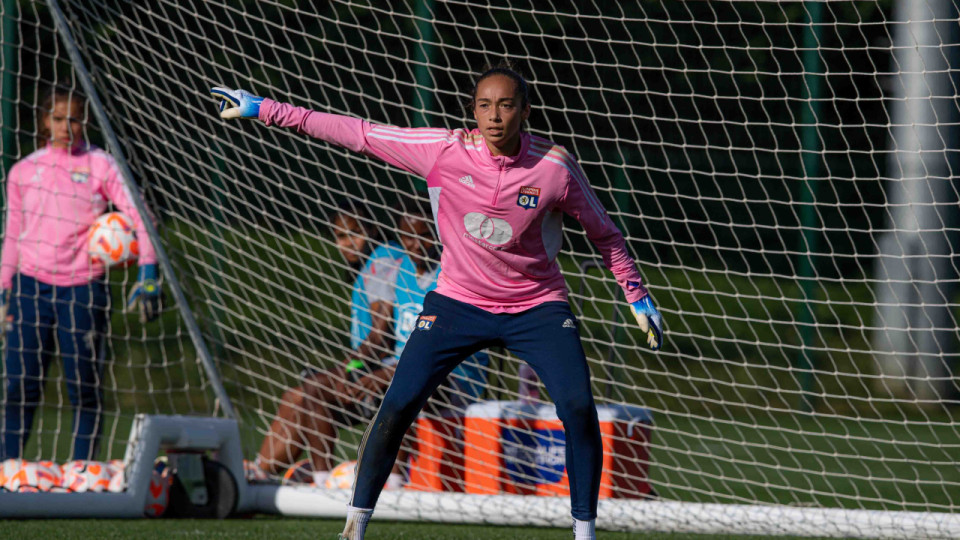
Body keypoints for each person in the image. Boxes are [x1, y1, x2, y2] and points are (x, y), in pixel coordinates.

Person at [210, 61, 663, 540]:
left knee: (576, 406)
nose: (494, 116)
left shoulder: (554, 167)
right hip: (457, 304)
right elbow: (358, 133)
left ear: (525, 111)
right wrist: (264, 108)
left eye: (506, 105)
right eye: (484, 105)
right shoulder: (445, 150)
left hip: (537, 307)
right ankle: (354, 528)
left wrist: (638, 296)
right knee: (398, 403)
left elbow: (606, 235)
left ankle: (584, 533)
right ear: (473, 110)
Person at [256, 203, 488, 488]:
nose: (414, 246)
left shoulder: (448, 276)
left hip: (445, 379)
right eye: (407, 238)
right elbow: (378, 337)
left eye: (423, 236)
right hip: (392, 370)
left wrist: (377, 373)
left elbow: (414, 348)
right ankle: (322, 483)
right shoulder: (402, 269)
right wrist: (349, 367)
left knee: (400, 385)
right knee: (313, 390)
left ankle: (391, 483)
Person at [0, 87, 162, 461]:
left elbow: (141, 218)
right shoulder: (24, 171)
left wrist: (148, 271)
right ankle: (8, 468)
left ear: (84, 121)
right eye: (58, 119)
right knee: (20, 384)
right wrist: (5, 288)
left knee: (84, 385)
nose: (66, 127)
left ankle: (83, 467)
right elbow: (13, 235)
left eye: (74, 119)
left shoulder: (100, 164)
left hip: (83, 289)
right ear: (45, 121)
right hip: (30, 287)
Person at [256, 202, 406, 489]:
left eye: (354, 234)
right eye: (339, 236)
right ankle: (265, 472)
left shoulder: (382, 263)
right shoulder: (380, 260)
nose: (346, 244)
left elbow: (380, 338)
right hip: (379, 369)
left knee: (305, 394)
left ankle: (271, 475)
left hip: (387, 373)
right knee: (298, 395)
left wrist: (347, 369)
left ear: (372, 230)